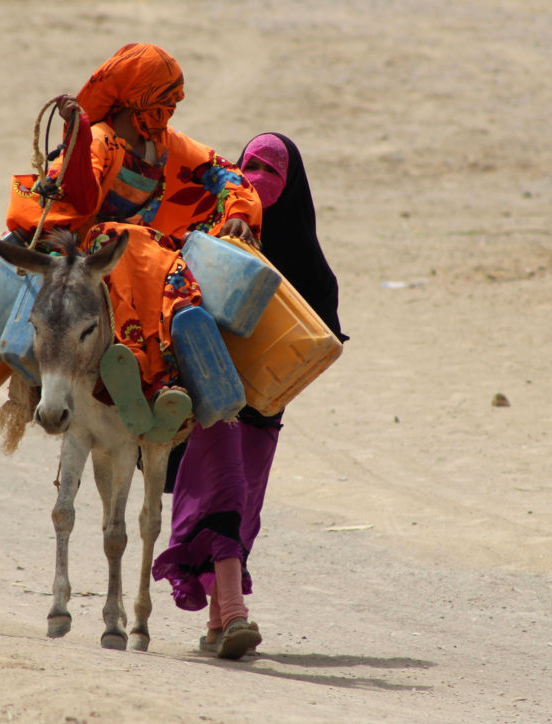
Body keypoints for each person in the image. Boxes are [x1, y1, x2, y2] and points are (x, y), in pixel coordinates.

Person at [0, 43, 262, 448]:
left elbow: (222, 173)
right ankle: (136, 371)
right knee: (123, 244)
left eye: (173, 102)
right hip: (96, 252)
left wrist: (239, 211)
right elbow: (79, 198)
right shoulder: (99, 140)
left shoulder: (166, 145)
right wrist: (78, 138)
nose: (169, 110)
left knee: (180, 276)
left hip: (150, 253)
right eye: (162, 100)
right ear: (135, 97)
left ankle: (168, 386)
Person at [152, 132, 348, 659]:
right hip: (214, 393)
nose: (258, 177)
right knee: (226, 490)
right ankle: (236, 611)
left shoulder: (305, 259)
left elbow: (319, 326)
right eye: (250, 166)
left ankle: (219, 624)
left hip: (266, 403)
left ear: (293, 185)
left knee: (246, 503)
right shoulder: (218, 226)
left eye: (271, 169)